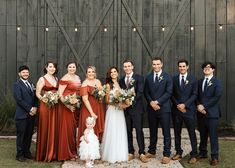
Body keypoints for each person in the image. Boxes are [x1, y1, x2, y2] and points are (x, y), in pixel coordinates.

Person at [144, 57, 173, 164]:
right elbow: (146, 92)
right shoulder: (148, 77)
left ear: (161, 65)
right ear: (152, 65)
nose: (156, 66)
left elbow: (169, 92)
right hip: (151, 108)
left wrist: (157, 102)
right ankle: (152, 151)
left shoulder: (167, 77)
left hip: (164, 108)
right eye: (154, 64)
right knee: (153, 131)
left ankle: (166, 154)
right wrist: (151, 102)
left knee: (166, 132)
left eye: (158, 64)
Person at [119, 60, 148, 163]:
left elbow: (140, 92)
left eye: (129, 66)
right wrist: (123, 103)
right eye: (125, 66)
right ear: (123, 68)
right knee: (128, 131)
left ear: (132, 67)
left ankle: (142, 152)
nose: (127, 68)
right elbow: (121, 94)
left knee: (139, 131)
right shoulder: (121, 80)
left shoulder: (139, 78)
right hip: (126, 111)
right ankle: (130, 151)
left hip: (137, 109)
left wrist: (130, 102)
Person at [171, 59, 198, 164]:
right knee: (177, 132)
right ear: (178, 67)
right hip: (177, 110)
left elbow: (195, 94)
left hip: (189, 110)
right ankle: (178, 152)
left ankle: (194, 154)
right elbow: (171, 94)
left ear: (187, 67)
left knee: (192, 133)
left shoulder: (193, 79)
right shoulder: (174, 79)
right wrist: (178, 105)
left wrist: (185, 105)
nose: (182, 68)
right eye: (180, 66)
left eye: (183, 66)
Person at [197, 61, 222, 166]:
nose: (206, 68)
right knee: (202, 135)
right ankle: (203, 153)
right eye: (205, 67)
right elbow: (196, 95)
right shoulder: (200, 81)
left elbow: (216, 97)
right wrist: (199, 105)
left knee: (213, 136)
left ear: (213, 69)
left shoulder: (217, 82)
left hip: (212, 114)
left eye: (209, 67)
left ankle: (215, 157)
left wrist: (204, 106)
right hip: (201, 113)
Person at [101, 67, 128, 163]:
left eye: (115, 71)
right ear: (109, 74)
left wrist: (125, 102)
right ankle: (111, 155)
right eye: (111, 72)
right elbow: (107, 100)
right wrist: (117, 103)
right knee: (112, 131)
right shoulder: (108, 85)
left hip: (120, 111)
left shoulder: (119, 83)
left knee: (120, 131)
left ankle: (120, 153)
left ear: (117, 72)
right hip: (112, 110)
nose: (113, 73)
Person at [13, 65, 37, 162]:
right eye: (23, 72)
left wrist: (35, 107)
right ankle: (19, 154)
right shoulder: (17, 85)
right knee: (21, 136)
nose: (25, 74)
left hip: (31, 115)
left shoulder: (31, 84)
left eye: (27, 72)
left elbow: (34, 97)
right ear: (19, 74)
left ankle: (27, 152)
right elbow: (19, 99)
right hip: (22, 115)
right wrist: (30, 109)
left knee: (29, 135)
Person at [58, 61, 81, 161]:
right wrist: (67, 105)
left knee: (72, 130)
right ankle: (66, 153)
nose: (72, 68)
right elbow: (60, 94)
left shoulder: (77, 77)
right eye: (70, 67)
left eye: (73, 67)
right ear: (67, 68)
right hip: (67, 108)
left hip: (75, 106)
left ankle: (73, 151)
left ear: (76, 68)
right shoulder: (65, 78)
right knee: (67, 130)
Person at [35, 61, 59, 162]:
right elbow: (37, 93)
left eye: (54, 67)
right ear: (46, 67)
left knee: (53, 128)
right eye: (50, 66)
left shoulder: (56, 78)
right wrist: (46, 99)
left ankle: (53, 153)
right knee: (45, 127)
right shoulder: (42, 79)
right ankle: (44, 153)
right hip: (45, 106)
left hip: (55, 106)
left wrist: (55, 97)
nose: (52, 68)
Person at [77, 66, 105, 144]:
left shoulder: (98, 81)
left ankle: (96, 148)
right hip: (88, 108)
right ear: (86, 74)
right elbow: (85, 99)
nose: (91, 73)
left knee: (97, 126)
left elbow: (101, 94)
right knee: (88, 127)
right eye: (89, 72)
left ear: (95, 73)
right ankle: (87, 149)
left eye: (92, 71)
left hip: (98, 107)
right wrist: (92, 113)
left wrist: (101, 94)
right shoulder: (84, 83)